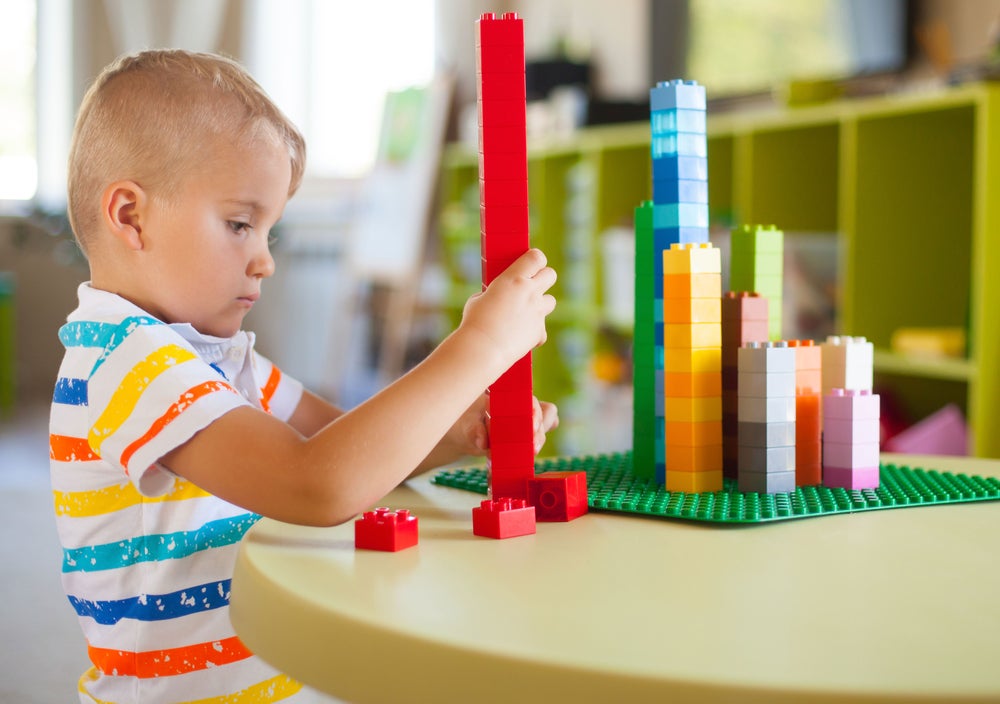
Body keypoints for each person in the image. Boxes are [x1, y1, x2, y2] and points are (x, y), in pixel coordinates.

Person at [51, 49, 558, 703]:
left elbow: (352, 447)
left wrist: (456, 429)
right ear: (130, 217)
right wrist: (477, 347)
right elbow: (316, 483)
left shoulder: (210, 359)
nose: (263, 261)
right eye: (240, 224)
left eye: (270, 233)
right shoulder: (126, 362)